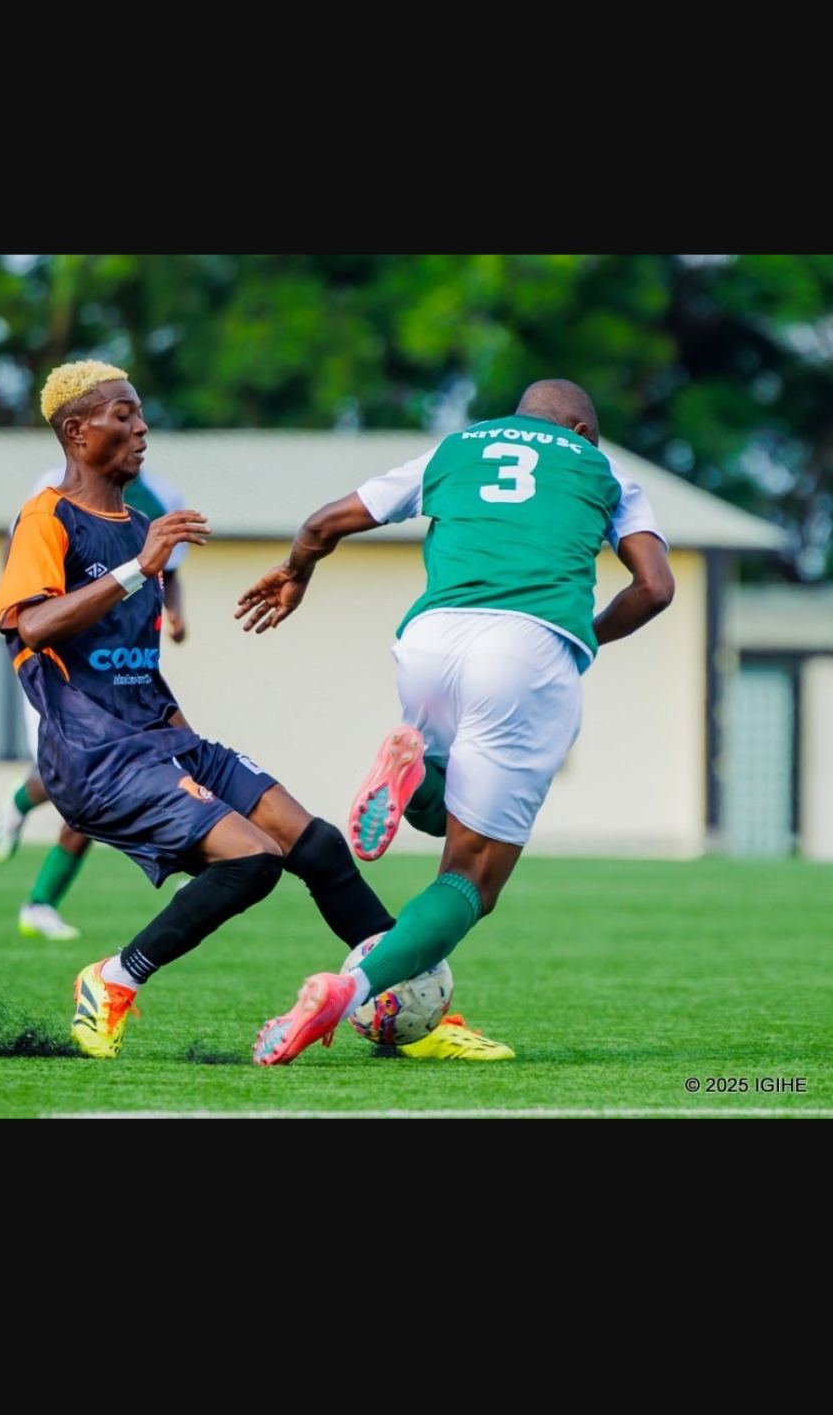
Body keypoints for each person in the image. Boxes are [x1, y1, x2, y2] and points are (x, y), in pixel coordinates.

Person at [0, 359, 495, 1063]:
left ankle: (406, 1008)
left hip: (163, 740)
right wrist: (140, 568)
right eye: (123, 416)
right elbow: (33, 626)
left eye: (141, 414)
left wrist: (184, 738)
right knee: (254, 861)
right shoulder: (47, 518)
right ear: (76, 432)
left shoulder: (141, 526)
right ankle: (112, 980)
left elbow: (133, 664)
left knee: (317, 846)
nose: (141, 429)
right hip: (95, 760)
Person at [235, 377, 675, 1066]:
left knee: (445, 816)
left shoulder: (457, 448)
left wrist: (297, 570)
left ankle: (414, 774)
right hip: (527, 649)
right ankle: (347, 992)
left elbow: (323, 524)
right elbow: (655, 587)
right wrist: (578, 638)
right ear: (583, 433)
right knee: (472, 878)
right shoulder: (605, 470)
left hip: (429, 643)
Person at [0, 459, 190, 942]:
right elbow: (18, 554)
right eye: (122, 423)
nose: (135, 432)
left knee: (103, 784)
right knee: (87, 782)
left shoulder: (162, 499)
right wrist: (24, 610)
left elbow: (168, 570)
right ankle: (24, 802)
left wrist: (176, 614)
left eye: (137, 423)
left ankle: (40, 903)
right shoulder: (53, 491)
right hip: (63, 663)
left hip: (118, 663)